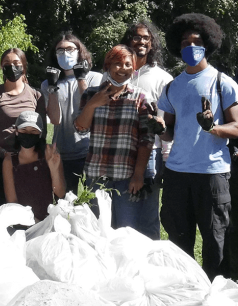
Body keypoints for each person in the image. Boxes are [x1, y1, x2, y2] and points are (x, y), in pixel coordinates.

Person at [158, 13, 238, 281]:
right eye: (184, 42)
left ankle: (215, 291)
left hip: (212, 174)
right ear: (177, 48)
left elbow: (237, 127)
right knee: (179, 242)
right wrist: (159, 128)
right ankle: (185, 289)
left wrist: (212, 127)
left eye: (197, 41)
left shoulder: (222, 83)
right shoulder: (172, 87)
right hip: (177, 174)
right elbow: (168, 133)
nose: (191, 46)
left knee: (215, 241)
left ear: (208, 44)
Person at [75, 45, 156, 230]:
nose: (123, 68)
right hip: (96, 176)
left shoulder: (141, 98)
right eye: (118, 64)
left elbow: (146, 140)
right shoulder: (90, 94)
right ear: (108, 66)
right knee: (97, 232)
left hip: (126, 178)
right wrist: (92, 105)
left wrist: (138, 175)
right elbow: (80, 129)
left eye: (128, 64)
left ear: (134, 68)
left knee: (125, 233)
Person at [118, 20, 173, 240]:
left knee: (148, 213)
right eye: (136, 37)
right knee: (122, 214)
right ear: (128, 40)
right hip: (120, 152)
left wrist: (167, 157)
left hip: (152, 152)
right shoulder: (118, 72)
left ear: (152, 44)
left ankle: (152, 264)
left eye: (146, 38)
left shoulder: (163, 78)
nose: (141, 41)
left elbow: (168, 123)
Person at [0, 48, 47, 205]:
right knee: (2, 209)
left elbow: (42, 133)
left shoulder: (36, 96)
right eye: (7, 64)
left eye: (16, 63)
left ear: (24, 66)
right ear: (1, 67)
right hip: (1, 162)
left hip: (29, 161)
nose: (12, 67)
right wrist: (3, 153)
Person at [41, 33, 103, 195]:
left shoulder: (95, 78)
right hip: (63, 151)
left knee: (94, 202)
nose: (65, 54)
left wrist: (81, 79)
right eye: (60, 51)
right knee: (65, 203)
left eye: (70, 49)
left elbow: (92, 110)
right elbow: (55, 119)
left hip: (91, 151)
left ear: (79, 51)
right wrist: (53, 87)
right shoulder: (48, 84)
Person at [3, 111, 65, 222]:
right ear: (16, 131)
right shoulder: (9, 161)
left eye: (33, 131)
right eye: (24, 130)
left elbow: (60, 193)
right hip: (24, 222)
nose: (28, 134)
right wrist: (32, 222)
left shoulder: (49, 154)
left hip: (50, 219)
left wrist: (54, 169)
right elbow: (12, 201)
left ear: (40, 134)